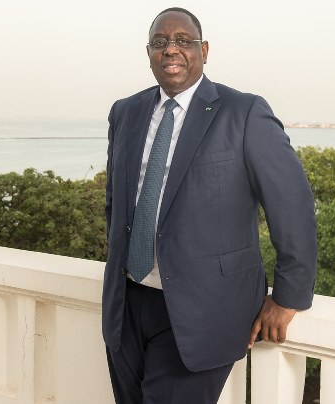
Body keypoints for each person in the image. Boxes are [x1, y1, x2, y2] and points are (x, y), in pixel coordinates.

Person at [102, 7, 317, 404]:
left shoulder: (245, 113)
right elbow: (115, 203)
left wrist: (288, 297)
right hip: (126, 306)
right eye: (160, 42)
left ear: (203, 50)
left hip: (205, 311)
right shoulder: (125, 112)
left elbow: (293, 206)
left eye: (183, 41)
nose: (171, 50)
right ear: (148, 53)